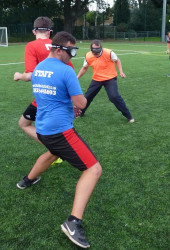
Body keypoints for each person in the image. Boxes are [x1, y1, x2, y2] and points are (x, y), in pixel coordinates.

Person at [16, 31, 102, 249]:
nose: (72, 56)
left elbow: (31, 79)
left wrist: (18, 75)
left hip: (44, 130)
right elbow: (81, 104)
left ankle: (27, 180)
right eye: (71, 51)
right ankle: (73, 223)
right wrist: (76, 103)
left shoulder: (40, 68)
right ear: (57, 49)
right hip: (60, 132)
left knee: (53, 152)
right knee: (93, 169)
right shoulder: (66, 71)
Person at [14, 16, 73, 164]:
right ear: (50, 32)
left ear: (34, 31)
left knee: (24, 124)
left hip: (45, 98)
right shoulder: (57, 46)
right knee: (57, 130)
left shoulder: (31, 46)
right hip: (64, 97)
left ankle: (56, 151)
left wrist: (19, 76)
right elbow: (69, 70)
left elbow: (32, 75)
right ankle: (57, 150)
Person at [77, 40, 134, 123]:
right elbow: (84, 68)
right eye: (94, 51)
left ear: (101, 48)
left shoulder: (109, 53)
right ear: (90, 49)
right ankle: (81, 112)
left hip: (110, 78)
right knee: (87, 96)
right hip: (97, 79)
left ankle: (129, 116)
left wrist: (121, 72)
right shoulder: (88, 56)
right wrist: (77, 77)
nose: (96, 53)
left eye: (98, 50)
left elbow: (117, 60)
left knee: (114, 96)